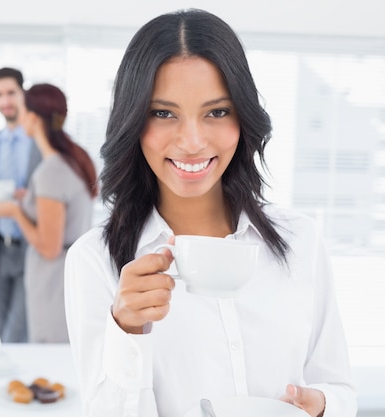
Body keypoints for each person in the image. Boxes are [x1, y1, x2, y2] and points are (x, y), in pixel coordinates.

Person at [64, 9, 357, 417]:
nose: (192, 141)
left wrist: (323, 406)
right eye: (163, 113)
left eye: (216, 112)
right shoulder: (95, 260)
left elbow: (338, 386)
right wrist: (127, 330)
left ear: (243, 117)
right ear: (133, 120)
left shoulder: (300, 241)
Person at [0, 83, 98, 343]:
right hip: (66, 275)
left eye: (23, 111)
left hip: (52, 280)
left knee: (49, 353)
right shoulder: (74, 159)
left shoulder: (51, 171)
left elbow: (49, 247)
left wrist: (16, 212)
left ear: (34, 118)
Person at [0, 67, 41, 343]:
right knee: (5, 334)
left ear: (23, 93)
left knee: (18, 334)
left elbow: (55, 197)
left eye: (11, 93)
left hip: (33, 248)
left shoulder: (41, 142)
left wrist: (30, 197)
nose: (5, 101)